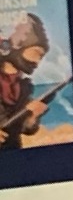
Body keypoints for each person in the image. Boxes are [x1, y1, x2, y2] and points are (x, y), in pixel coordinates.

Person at [0, 14, 50, 152]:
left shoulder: (23, 87)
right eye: (35, 53)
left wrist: (34, 116)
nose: (37, 62)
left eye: (41, 57)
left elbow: (25, 129)